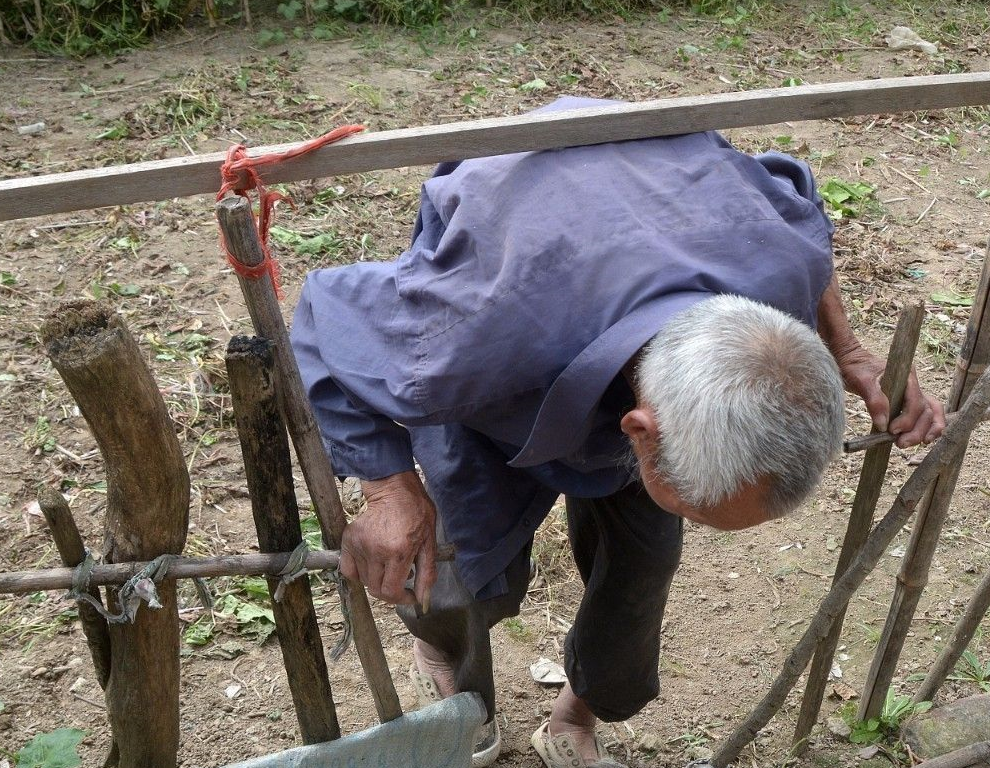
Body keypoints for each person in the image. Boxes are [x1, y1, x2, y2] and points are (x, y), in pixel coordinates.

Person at [291, 96, 945, 768]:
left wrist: (849, 350)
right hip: (527, 231)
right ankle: (452, 665)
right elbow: (324, 311)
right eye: (695, 501)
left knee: (642, 566)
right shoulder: (466, 344)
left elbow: (797, 202)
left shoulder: (781, 271)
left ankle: (575, 716)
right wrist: (389, 487)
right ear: (640, 433)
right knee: (461, 570)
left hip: (654, 205)